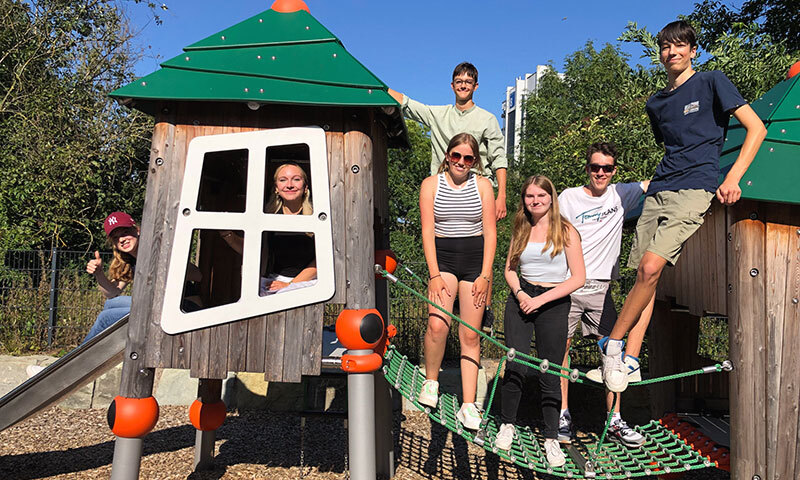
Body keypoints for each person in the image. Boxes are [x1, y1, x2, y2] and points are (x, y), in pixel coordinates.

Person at [599, 20, 767, 393]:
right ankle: (630, 361)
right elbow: (670, 148)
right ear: (660, 54)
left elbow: (756, 129)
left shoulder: (711, 82)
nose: (672, 52)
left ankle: (612, 345)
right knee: (646, 280)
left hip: (695, 189)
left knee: (650, 266)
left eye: (679, 46)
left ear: (693, 50)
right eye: (665, 47)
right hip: (659, 189)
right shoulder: (656, 103)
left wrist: (733, 177)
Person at [557, 142, 650, 446]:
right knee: (561, 352)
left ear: (614, 170)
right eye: (595, 167)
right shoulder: (568, 197)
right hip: (569, 284)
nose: (600, 173)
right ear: (587, 169)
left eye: (607, 168)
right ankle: (562, 415)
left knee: (613, 355)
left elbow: (659, 181)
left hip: (601, 289)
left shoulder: (622, 193)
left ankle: (615, 421)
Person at [494, 175, 585, 467]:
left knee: (550, 372)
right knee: (516, 363)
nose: (535, 201)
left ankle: (550, 437)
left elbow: (578, 278)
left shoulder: (566, 230)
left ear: (551, 197)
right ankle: (507, 423)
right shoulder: (522, 226)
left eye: (540, 196)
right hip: (522, 297)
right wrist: (520, 293)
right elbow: (509, 269)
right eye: (530, 196)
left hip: (553, 301)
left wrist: (541, 300)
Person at [416, 133, 497, 432]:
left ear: (474, 161)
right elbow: (427, 231)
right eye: (456, 156)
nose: (461, 162)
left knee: (471, 335)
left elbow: (490, 232)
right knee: (438, 325)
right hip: (444, 257)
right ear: (448, 156)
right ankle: (431, 381)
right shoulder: (431, 185)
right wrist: (434, 273)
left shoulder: (483, 185)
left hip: (475, 259)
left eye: (468, 158)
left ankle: (468, 404)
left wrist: (486, 275)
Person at [388, 62, 509, 220]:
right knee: (441, 236)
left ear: (475, 86)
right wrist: (377, 86)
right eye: (459, 82)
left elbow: (498, 159)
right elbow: (407, 104)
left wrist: (501, 197)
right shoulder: (438, 115)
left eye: (468, 82)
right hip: (444, 188)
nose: (463, 86)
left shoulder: (487, 119)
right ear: (452, 86)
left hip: (475, 189)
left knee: (478, 238)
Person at [221, 162, 317, 295]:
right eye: (283, 180)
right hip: (275, 280)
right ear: (276, 188)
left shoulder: (316, 217)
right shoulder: (267, 216)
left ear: (305, 187)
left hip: (310, 282)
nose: (289, 185)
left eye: (296, 179)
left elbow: (321, 260)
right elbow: (253, 250)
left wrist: (290, 285)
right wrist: (228, 234)